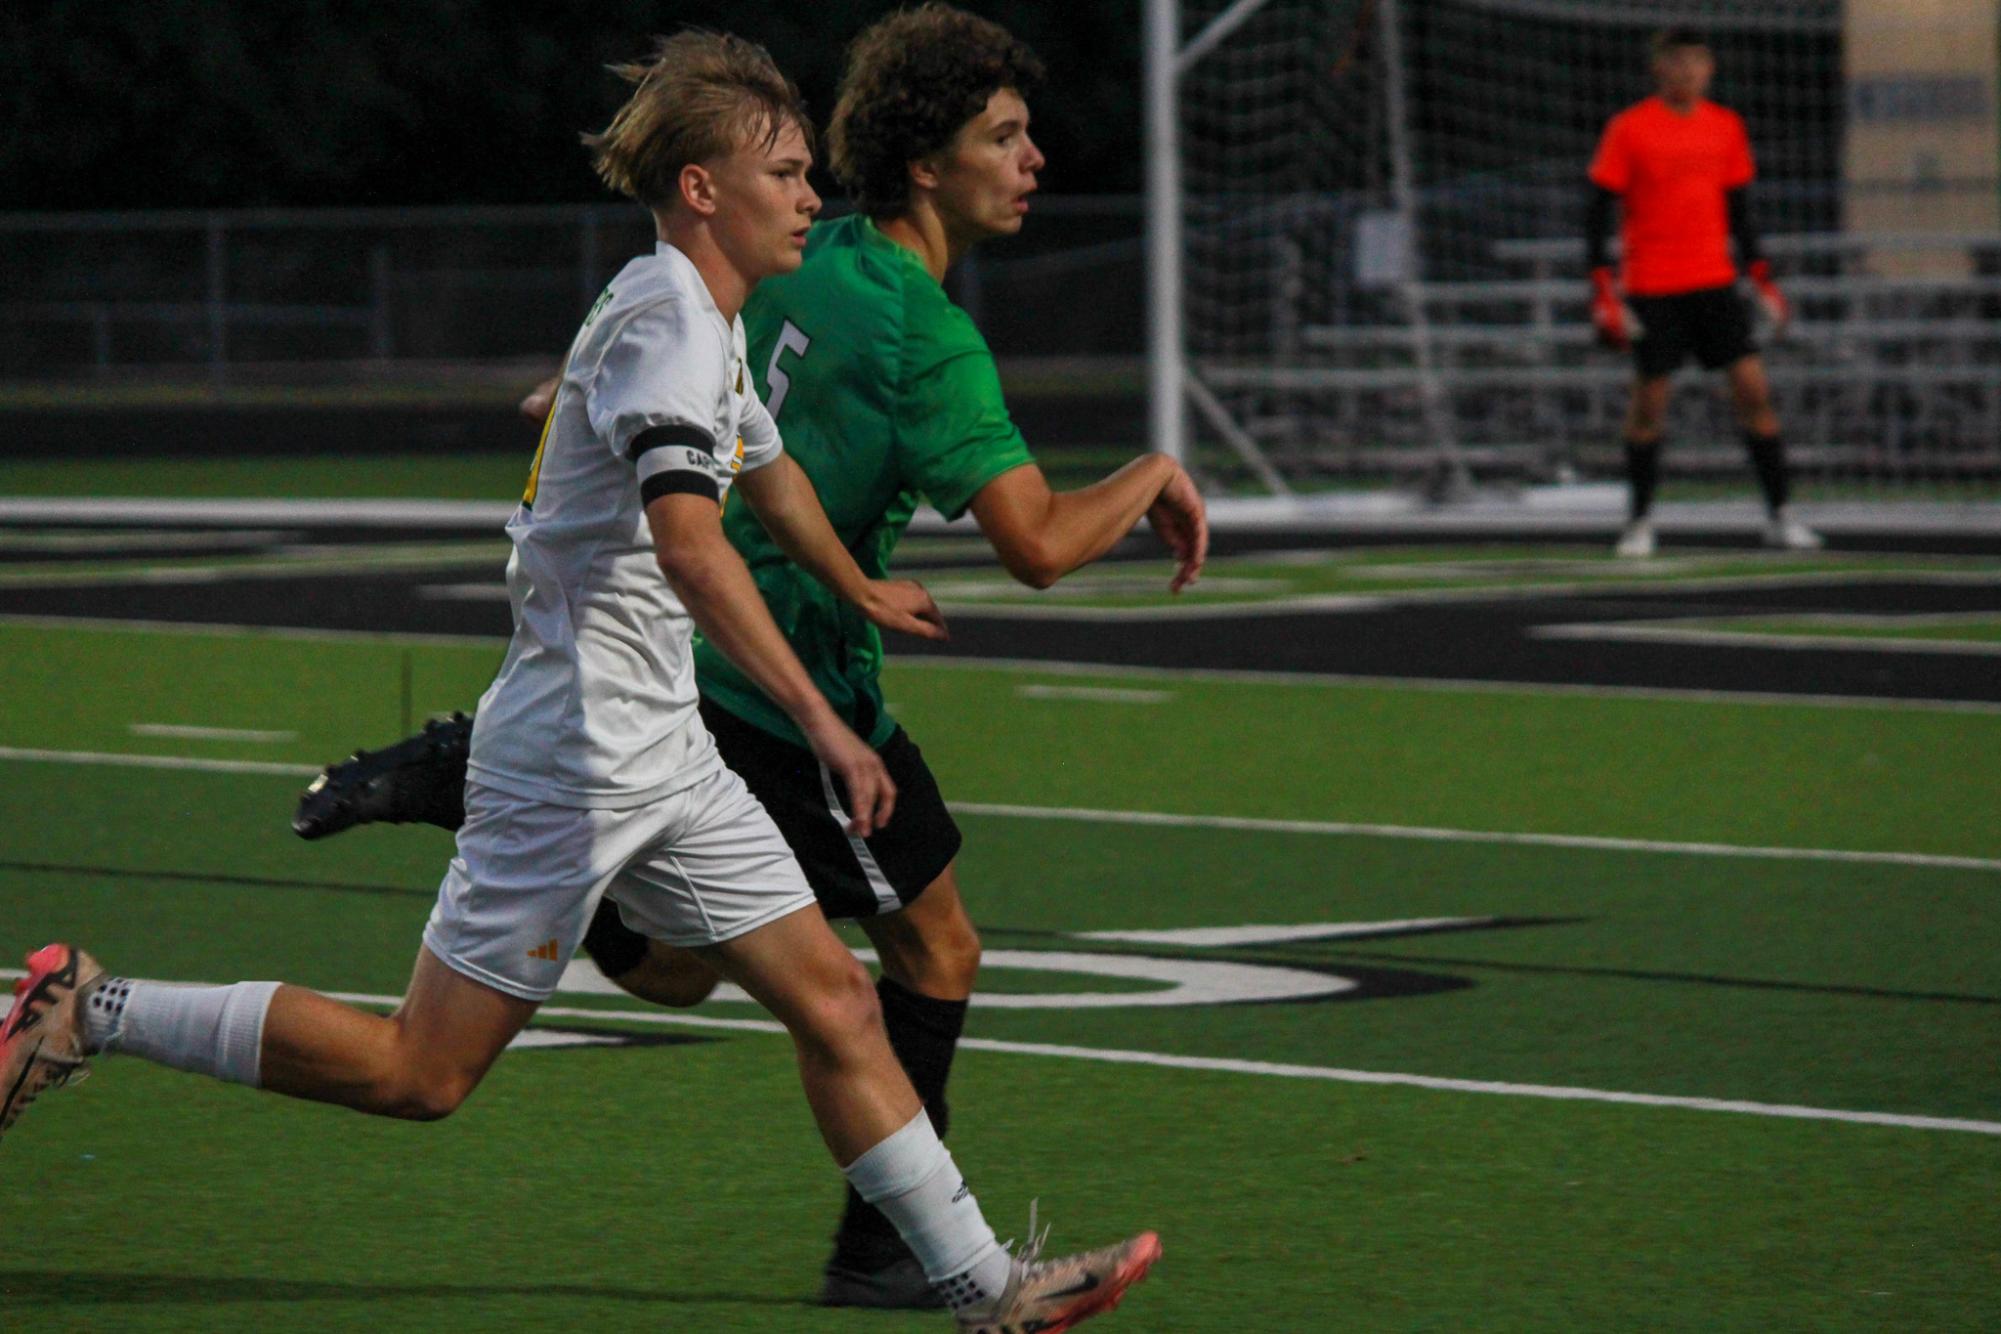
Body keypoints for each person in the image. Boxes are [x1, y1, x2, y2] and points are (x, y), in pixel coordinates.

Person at [2, 32, 1159, 1332]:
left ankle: (984, 1289)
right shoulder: (673, 326)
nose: (809, 193)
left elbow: (766, 470)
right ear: (705, 190)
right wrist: (829, 725)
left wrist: (855, 588)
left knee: (836, 992)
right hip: (574, 760)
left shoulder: (695, 311)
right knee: (420, 1073)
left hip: (662, 752)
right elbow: (691, 541)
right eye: (780, 170)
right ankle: (84, 1006)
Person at [291, 4, 1206, 1312]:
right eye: (1002, 135)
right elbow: (1039, 545)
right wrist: (1156, 474)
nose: (1034, 158)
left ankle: (976, 1280)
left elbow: (750, 442)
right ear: (926, 162)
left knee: (770, 981)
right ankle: (887, 1250)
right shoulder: (917, 332)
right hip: (748, 683)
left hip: (686, 698)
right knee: (928, 951)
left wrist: (840, 569)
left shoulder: (796, 257)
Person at [1586, 26, 1822, 559]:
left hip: (1713, 282)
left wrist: (1761, 276)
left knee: (1753, 393)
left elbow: (1740, 210)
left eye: (1698, 61)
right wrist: (1603, 288)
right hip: (1653, 285)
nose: (1688, 71)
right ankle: (1639, 522)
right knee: (1650, 405)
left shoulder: (1725, 127)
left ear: (1710, 68)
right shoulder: (1629, 129)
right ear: (1658, 68)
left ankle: (1780, 515)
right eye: (1677, 61)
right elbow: (1596, 210)